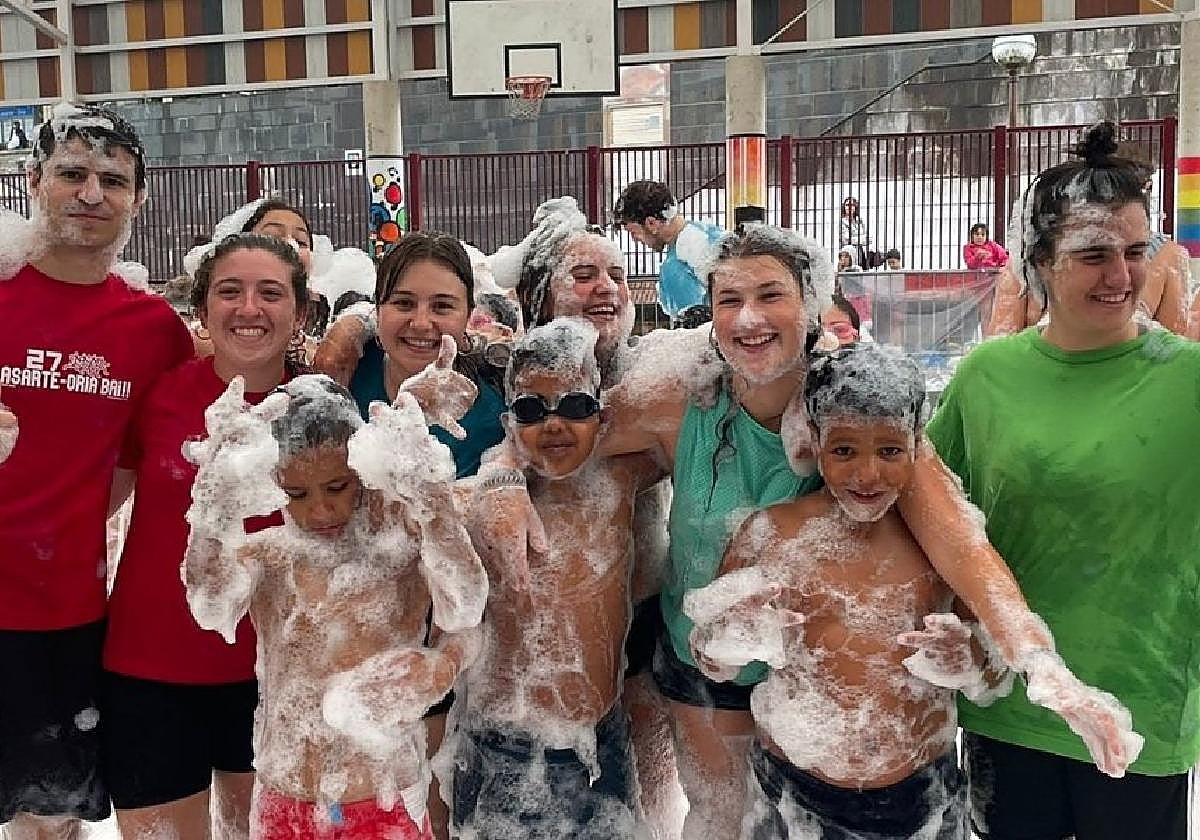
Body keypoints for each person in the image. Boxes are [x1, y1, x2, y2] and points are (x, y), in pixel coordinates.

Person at [477, 221, 1074, 838]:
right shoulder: (679, 394)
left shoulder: (849, 410)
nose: (747, 319)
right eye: (728, 301)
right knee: (721, 819)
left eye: (770, 296)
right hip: (703, 657)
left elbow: (960, 542)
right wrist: (500, 480)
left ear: (812, 302)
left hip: (810, 674)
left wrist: (1035, 656)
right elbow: (550, 430)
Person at [684, 343, 1139, 839]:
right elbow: (713, 662)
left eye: (890, 451)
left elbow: (989, 677)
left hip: (922, 798)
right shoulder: (771, 535)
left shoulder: (934, 548)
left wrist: (968, 660)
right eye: (843, 450)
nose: (867, 473)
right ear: (813, 441)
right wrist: (731, 636)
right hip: (793, 795)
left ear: (916, 446)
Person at [928, 121, 1200, 840]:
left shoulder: (1191, 383)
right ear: (1040, 262)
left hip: (1145, 705)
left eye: (1137, 251)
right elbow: (927, 514)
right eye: (1094, 254)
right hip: (1012, 709)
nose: (1122, 276)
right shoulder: (988, 378)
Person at [0, 103, 194, 839]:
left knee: (45, 819)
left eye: (111, 180)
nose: (91, 194)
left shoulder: (152, 332)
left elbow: (147, 462)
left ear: (137, 198)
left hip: (62, 619)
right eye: (71, 173)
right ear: (34, 180)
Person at [182, 374, 486, 840]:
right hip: (283, 798)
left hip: (380, 800)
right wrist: (212, 504)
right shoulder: (270, 554)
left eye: (338, 486)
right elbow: (209, 606)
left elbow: (466, 605)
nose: (320, 511)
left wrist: (433, 501)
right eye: (297, 494)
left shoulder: (399, 546)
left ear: (364, 468)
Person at [98, 234, 309, 839]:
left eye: (270, 293)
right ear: (203, 308)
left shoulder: (321, 408)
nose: (249, 308)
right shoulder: (159, 392)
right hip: (149, 671)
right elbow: (92, 501)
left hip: (274, 675)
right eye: (230, 292)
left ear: (299, 311)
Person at [448, 318, 665, 839]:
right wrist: (500, 471)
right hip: (507, 749)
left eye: (575, 406)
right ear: (508, 421)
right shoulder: (480, 502)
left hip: (602, 739)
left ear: (602, 415)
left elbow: (682, 407)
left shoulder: (621, 476)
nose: (553, 424)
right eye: (530, 409)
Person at [612, 180, 723, 325]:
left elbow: (693, 335)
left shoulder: (676, 268)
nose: (635, 240)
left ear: (652, 223)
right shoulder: (714, 235)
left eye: (634, 232)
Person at [839, 196, 871, 269]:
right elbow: (846, 240)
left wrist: (856, 239)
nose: (850, 207)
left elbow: (868, 238)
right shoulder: (842, 221)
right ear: (844, 207)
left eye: (852, 205)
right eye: (847, 205)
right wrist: (861, 239)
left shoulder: (860, 220)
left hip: (861, 252)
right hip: (848, 253)